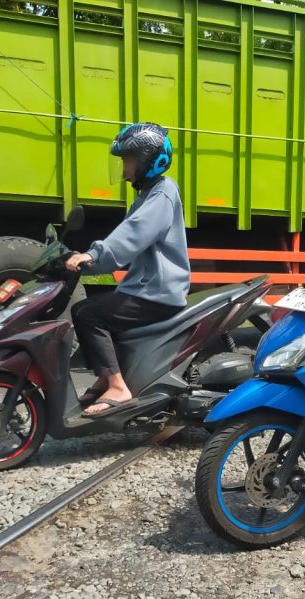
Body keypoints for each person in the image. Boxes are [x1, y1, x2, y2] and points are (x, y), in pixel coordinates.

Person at [65, 122, 190, 415]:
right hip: (147, 287)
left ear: (150, 159)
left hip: (158, 292)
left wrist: (94, 257)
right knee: (101, 311)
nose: (124, 168)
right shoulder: (147, 193)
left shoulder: (163, 192)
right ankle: (105, 378)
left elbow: (133, 235)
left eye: (129, 160)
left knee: (87, 313)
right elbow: (127, 234)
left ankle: (118, 388)